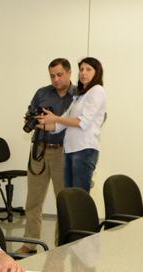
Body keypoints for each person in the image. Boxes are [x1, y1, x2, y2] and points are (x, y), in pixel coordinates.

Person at [22, 58, 75, 241]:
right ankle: (30, 241)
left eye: (60, 75)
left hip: (64, 152)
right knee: (33, 201)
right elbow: (31, 114)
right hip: (40, 150)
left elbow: (89, 121)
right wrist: (32, 118)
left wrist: (57, 120)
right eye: (52, 76)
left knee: (64, 201)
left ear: (69, 73)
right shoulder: (42, 93)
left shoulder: (79, 96)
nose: (56, 79)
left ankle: (61, 243)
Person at [37, 57, 106, 191]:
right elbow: (58, 126)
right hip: (70, 150)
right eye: (81, 69)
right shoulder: (79, 96)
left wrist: (55, 118)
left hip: (84, 150)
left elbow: (82, 122)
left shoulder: (97, 90)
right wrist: (39, 123)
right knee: (70, 196)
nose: (83, 73)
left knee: (79, 196)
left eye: (88, 69)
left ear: (97, 72)